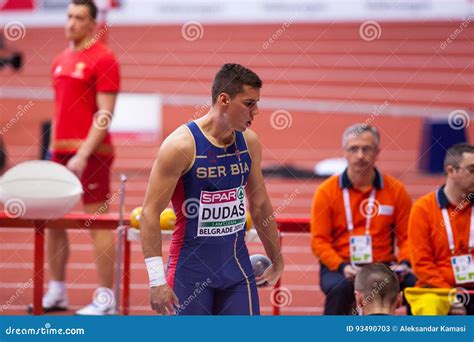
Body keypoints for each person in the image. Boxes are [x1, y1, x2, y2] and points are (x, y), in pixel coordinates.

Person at [140, 63, 284, 315]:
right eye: (249, 103)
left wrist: (277, 257)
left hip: (237, 271)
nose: (256, 111)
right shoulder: (181, 146)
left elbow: (260, 205)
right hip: (190, 273)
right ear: (224, 100)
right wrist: (156, 281)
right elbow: (150, 214)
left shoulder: (249, 143)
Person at [31, 0, 120, 315]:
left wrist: (83, 154)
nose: (71, 23)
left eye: (79, 17)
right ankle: (56, 291)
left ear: (93, 23)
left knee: (98, 224)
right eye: (69, 16)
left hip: (93, 153)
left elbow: (105, 115)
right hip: (60, 152)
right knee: (52, 221)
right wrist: (51, 152)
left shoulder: (104, 59)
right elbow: (59, 113)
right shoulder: (59, 60)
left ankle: (106, 300)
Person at [310, 124, 415, 315]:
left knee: (417, 287)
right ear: (345, 152)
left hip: (384, 266)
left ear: (377, 152)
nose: (360, 155)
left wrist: (405, 264)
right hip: (342, 266)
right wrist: (341, 266)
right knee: (339, 289)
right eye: (353, 148)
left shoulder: (396, 190)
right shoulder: (326, 192)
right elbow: (319, 241)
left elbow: (408, 237)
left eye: (366, 149)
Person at [409, 143, 474, 315]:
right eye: (472, 170)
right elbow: (422, 265)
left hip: (472, 288)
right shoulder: (423, 208)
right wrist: (450, 294)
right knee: (431, 306)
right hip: (436, 289)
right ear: (451, 171)